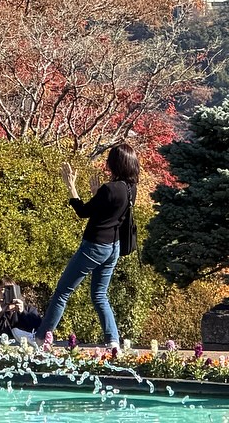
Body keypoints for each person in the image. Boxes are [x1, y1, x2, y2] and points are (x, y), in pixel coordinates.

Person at [35, 142, 139, 348]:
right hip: (113, 248)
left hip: (94, 247)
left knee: (62, 292)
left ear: (115, 164)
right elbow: (108, 212)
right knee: (100, 296)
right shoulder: (130, 189)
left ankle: (41, 338)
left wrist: (71, 187)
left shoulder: (109, 189)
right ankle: (113, 341)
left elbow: (83, 212)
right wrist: (97, 194)